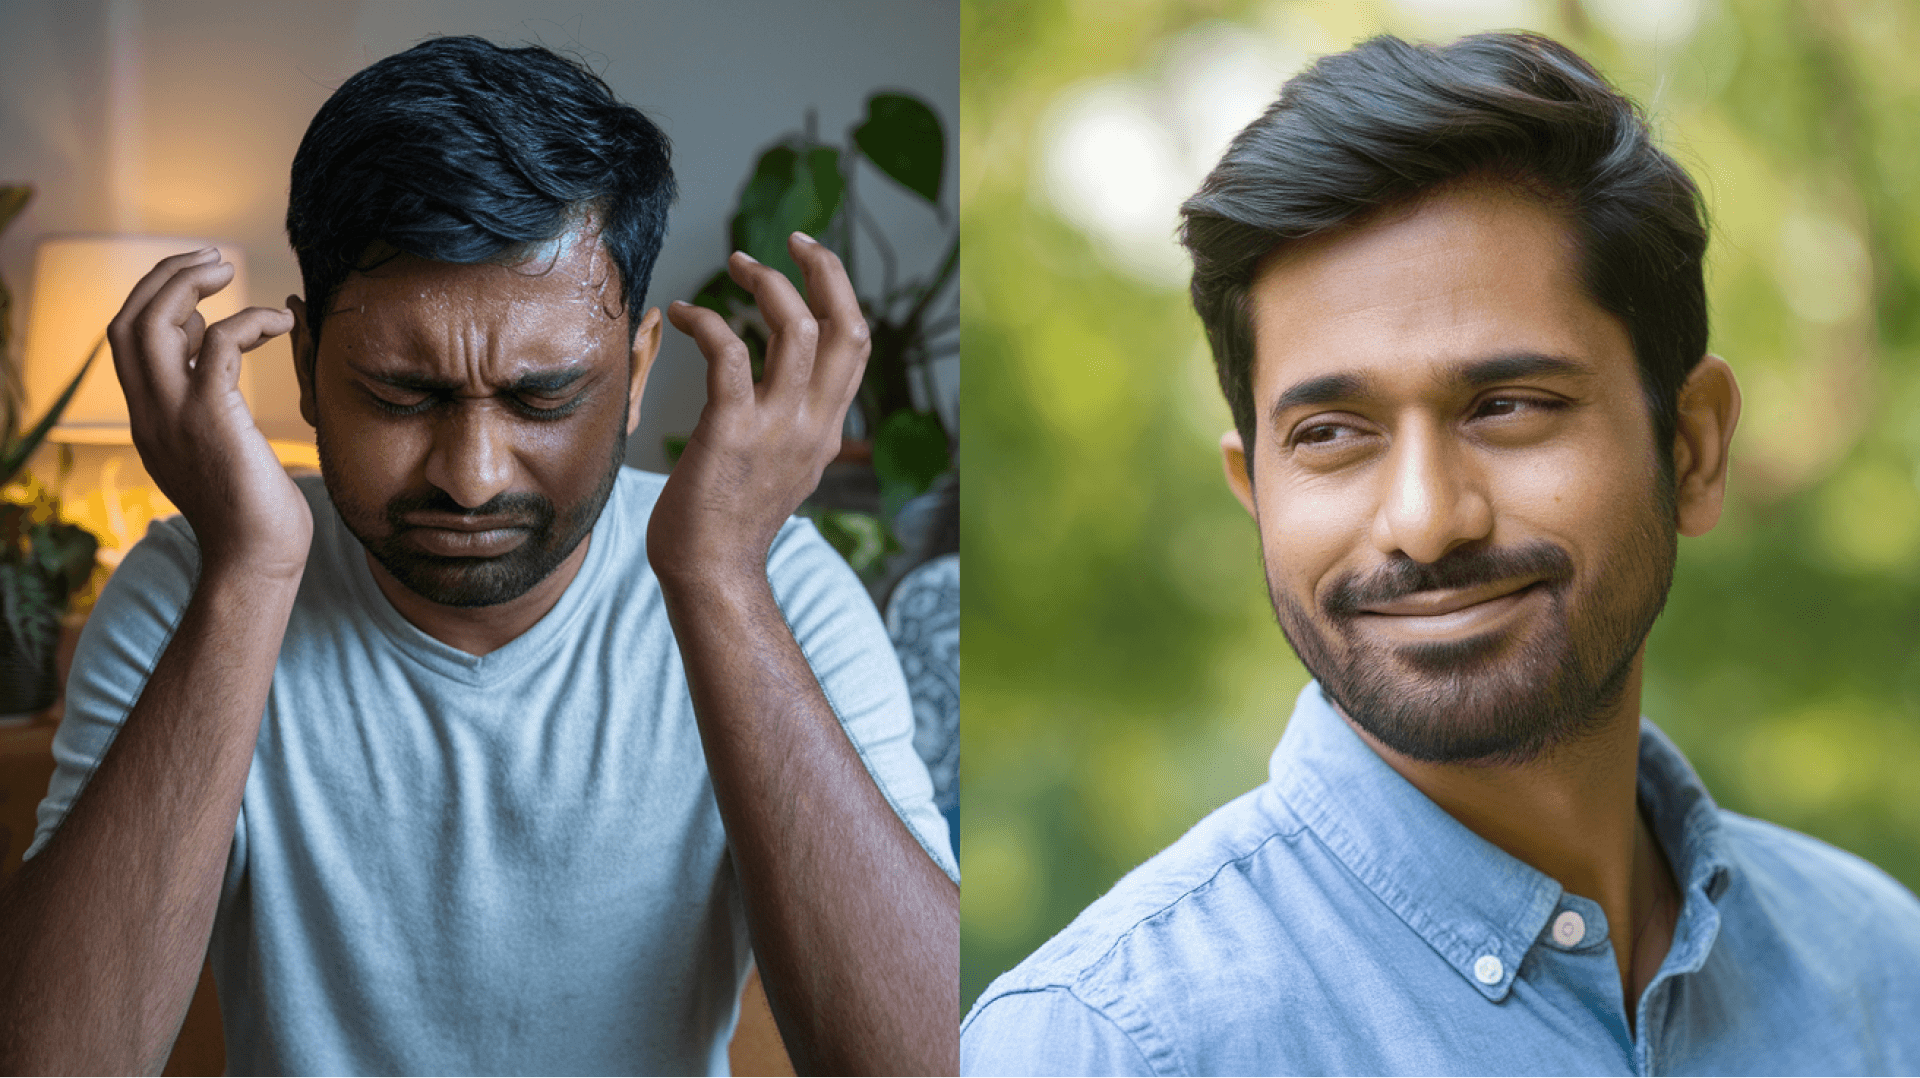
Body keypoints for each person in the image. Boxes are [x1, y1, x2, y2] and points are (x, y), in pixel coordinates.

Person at [962, 31, 1920, 1077]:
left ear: (1690, 447)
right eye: (1330, 432)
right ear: (1255, 492)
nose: (1424, 520)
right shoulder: (1102, 1044)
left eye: (1508, 406)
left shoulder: (1878, 968)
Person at [0, 36, 957, 1077]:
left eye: (544, 397)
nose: (471, 473)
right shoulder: (195, 578)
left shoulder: (778, 583)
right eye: (402, 396)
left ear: (636, 372)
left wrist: (719, 580)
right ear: (309, 368)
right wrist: (251, 574)